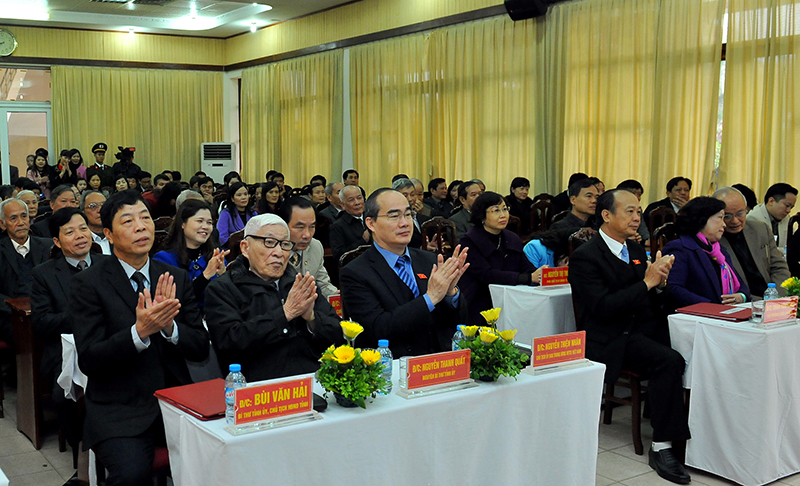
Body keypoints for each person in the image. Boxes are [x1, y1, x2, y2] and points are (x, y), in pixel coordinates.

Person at [69, 189, 209, 486]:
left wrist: (170, 328)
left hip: (175, 402)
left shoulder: (174, 277)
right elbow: (91, 359)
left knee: (221, 455)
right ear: (108, 233)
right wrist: (139, 332)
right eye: (128, 221)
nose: (141, 226)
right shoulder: (88, 284)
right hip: (119, 407)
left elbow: (199, 348)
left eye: (145, 218)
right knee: (132, 475)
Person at [568, 189, 691, 484]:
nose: (637, 218)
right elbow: (603, 308)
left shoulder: (635, 250)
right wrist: (648, 283)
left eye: (639, 211)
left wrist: (660, 284)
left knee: (694, 345)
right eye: (630, 211)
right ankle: (662, 446)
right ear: (607, 215)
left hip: (641, 327)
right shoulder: (586, 257)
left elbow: (648, 299)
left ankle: (683, 424)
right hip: (611, 335)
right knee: (669, 360)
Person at [205, 214, 342, 381]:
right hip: (261, 389)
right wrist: (285, 314)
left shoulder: (299, 283)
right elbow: (230, 343)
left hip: (315, 380)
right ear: (245, 248)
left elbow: (338, 335)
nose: (279, 253)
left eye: (285, 244)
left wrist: (312, 318)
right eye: (269, 243)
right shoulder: (223, 288)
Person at [340, 188, 469, 358]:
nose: (405, 223)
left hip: (438, 363)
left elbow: (457, 322)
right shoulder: (355, 272)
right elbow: (378, 328)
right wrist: (430, 298)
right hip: (392, 367)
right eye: (394, 216)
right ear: (371, 224)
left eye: (408, 215)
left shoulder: (429, 260)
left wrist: (450, 294)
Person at [31, 208, 107, 462]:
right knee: (62, 398)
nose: (80, 236)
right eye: (70, 232)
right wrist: (83, 314)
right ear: (56, 241)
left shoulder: (109, 264)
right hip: (65, 354)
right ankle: (83, 454)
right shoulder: (43, 274)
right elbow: (41, 323)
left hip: (108, 345)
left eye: (83, 228)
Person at [459, 192, 543, 326]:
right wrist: (528, 278)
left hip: (511, 300)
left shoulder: (512, 238)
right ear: (482, 216)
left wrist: (541, 274)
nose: (503, 215)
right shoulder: (469, 241)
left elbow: (527, 268)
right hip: (480, 302)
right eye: (495, 211)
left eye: (505, 209)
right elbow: (487, 275)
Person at [663, 197, 750, 309]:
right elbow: (673, 289)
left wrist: (741, 297)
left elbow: (741, 284)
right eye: (720, 218)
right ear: (701, 219)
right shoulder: (680, 248)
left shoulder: (720, 250)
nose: (724, 224)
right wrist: (711, 306)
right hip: (696, 317)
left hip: (724, 313)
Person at [714, 187, 789, 300]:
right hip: (741, 301)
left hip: (772, 298)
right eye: (727, 216)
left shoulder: (760, 229)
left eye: (740, 213)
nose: (735, 221)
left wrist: (776, 297)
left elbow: (779, 267)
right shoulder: (713, 238)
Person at [153, 199, 228, 310]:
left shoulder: (214, 257)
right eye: (199, 221)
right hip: (182, 322)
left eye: (209, 222)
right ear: (183, 224)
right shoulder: (164, 259)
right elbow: (176, 302)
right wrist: (206, 275)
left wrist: (224, 276)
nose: (205, 227)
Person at [0, 198, 51, 346]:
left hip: (45, 311)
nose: (21, 222)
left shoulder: (48, 247)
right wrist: (15, 309)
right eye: (13, 218)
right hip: (10, 315)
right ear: (2, 224)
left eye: (24, 216)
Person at [278, 197, 339, 300]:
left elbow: (322, 284)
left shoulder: (315, 246)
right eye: (300, 227)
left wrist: (336, 295)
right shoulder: (271, 252)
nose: (307, 235)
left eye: (312, 227)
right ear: (283, 226)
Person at [747, 182, 797, 248]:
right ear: (771, 201)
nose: (789, 211)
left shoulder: (786, 218)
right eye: (787, 205)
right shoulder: (753, 219)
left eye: (791, 207)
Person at [330, 185, 371, 262]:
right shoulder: (338, 226)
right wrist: (362, 241)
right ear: (343, 205)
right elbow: (339, 256)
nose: (357, 203)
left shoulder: (372, 219)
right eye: (351, 200)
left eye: (359, 198)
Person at [392, 178, 430, 249]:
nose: (410, 199)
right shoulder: (393, 220)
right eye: (405, 195)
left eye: (412, 195)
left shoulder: (423, 218)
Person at [217, 181, 256, 247]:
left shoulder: (253, 213)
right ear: (232, 199)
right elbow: (222, 237)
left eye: (245, 194)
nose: (243, 197)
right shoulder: (226, 214)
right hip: (232, 250)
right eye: (239, 195)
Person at [81, 190, 112, 255]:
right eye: (93, 206)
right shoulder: (80, 239)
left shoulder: (117, 235)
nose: (100, 210)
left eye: (103, 205)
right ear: (83, 211)